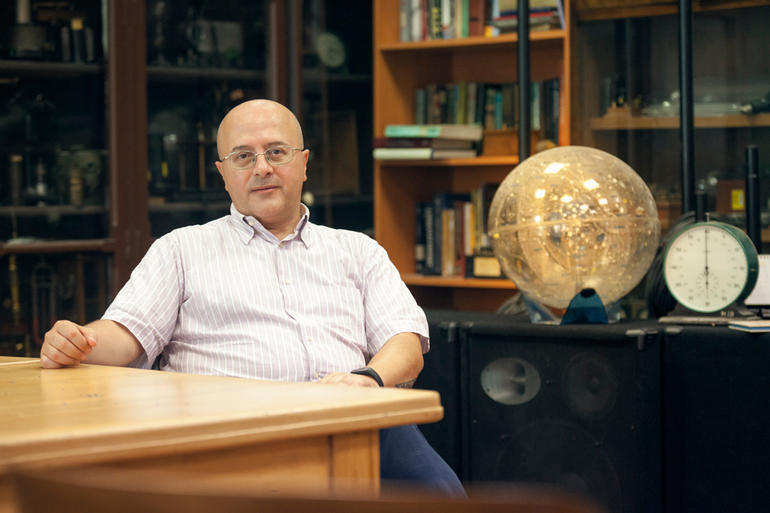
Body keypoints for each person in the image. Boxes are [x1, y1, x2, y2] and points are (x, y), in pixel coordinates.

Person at [41, 99, 465, 496]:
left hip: (353, 422)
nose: (262, 168)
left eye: (276, 152)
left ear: (304, 163)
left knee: (442, 494)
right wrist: (78, 341)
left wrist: (368, 379)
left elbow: (405, 343)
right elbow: (126, 333)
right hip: (229, 433)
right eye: (243, 156)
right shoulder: (181, 249)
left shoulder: (358, 250)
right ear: (223, 173)